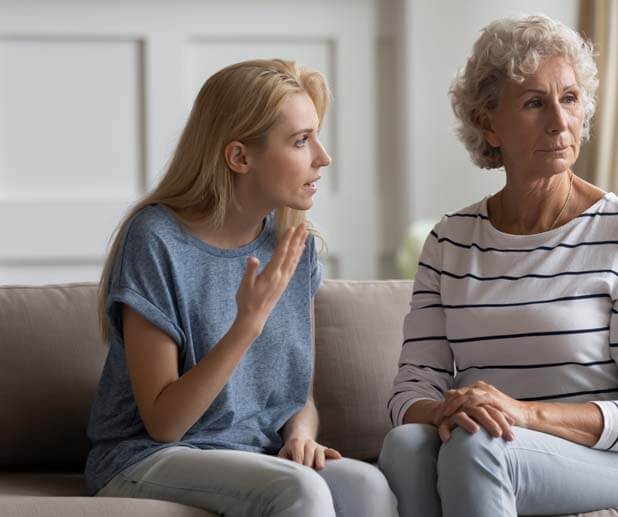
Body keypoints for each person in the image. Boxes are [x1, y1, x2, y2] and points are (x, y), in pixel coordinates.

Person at [379, 15, 618, 517]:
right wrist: (448, 409)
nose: (560, 122)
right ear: (489, 123)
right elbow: (409, 391)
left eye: (570, 98)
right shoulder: (450, 241)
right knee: (406, 447)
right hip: (487, 442)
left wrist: (523, 414)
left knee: (480, 447)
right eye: (535, 103)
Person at [85, 59, 397, 517]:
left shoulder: (295, 246)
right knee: (302, 492)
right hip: (147, 457)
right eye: (301, 141)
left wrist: (300, 435)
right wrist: (246, 324)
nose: (323, 157)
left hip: (257, 457)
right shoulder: (155, 239)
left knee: (369, 487)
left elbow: (299, 398)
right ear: (239, 157)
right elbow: (164, 423)